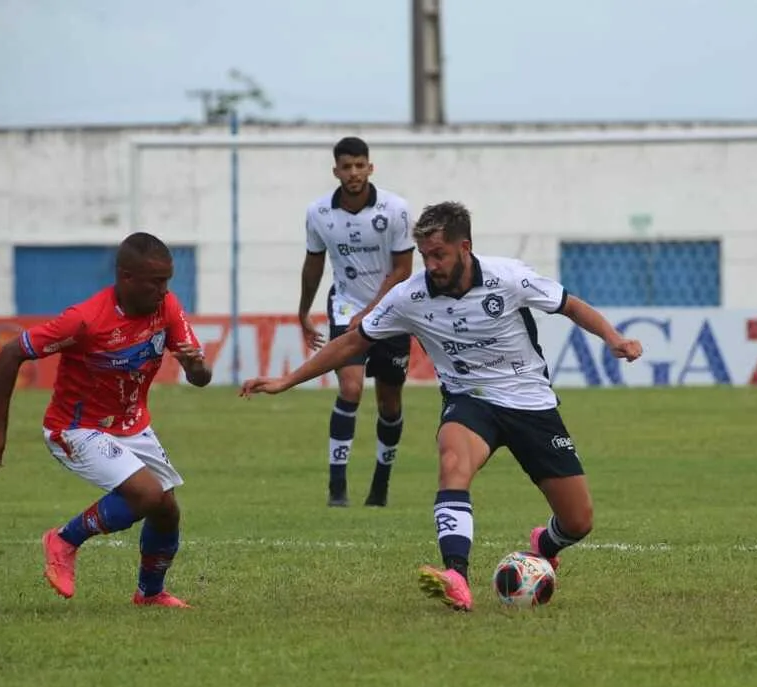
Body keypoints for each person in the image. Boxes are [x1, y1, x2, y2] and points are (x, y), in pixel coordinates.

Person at [242, 201, 643, 612]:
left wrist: (614, 339)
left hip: (530, 403)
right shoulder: (409, 297)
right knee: (453, 462)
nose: (430, 264)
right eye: (425, 256)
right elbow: (351, 342)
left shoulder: (509, 277)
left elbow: (570, 305)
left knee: (579, 521)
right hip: (470, 401)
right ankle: (456, 575)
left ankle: (546, 543)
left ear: (464, 247)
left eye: (439, 255)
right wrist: (288, 380)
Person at [0, 232, 212, 608]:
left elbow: (202, 379)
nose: (164, 291)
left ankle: (149, 594)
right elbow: (10, 353)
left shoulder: (166, 309)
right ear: (126, 277)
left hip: (132, 425)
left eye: (167, 281)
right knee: (147, 495)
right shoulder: (84, 321)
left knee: (166, 511)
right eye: (155, 282)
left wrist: (195, 365)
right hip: (75, 429)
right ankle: (64, 540)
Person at [298, 136, 415, 507]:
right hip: (347, 308)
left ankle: (380, 485)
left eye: (359, 165)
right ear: (336, 171)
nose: (353, 173)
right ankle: (337, 489)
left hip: (392, 312)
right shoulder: (319, 213)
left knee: (389, 403)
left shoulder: (395, 209)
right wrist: (303, 310)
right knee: (350, 388)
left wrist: (373, 312)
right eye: (346, 167)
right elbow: (314, 263)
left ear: (370, 167)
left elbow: (402, 270)